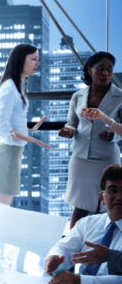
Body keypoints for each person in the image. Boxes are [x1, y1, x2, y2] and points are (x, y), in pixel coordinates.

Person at [42, 163, 122, 284]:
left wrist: (78, 281)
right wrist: (55, 258)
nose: (119, 197)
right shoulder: (89, 223)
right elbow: (64, 247)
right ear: (101, 196)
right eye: (113, 190)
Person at [0, 43, 51, 235]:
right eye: (33, 59)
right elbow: (2, 128)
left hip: (13, 152)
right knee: (0, 206)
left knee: (4, 206)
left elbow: (13, 124)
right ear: (21, 60)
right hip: (7, 152)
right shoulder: (9, 88)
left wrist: (31, 129)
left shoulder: (19, 85)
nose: (37, 63)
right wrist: (33, 140)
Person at [57, 51, 122, 227]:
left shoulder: (120, 97)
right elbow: (72, 123)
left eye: (110, 68)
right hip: (80, 159)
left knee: (110, 210)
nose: (106, 73)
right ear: (89, 70)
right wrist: (68, 131)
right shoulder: (78, 96)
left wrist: (112, 134)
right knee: (80, 209)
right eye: (100, 68)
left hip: (106, 160)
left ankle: (105, 250)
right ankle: (72, 249)